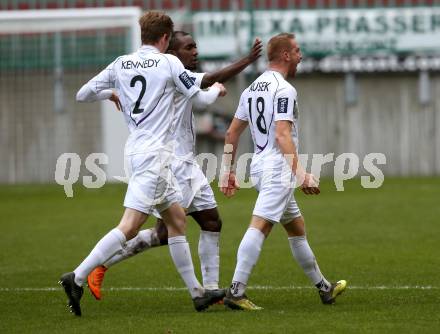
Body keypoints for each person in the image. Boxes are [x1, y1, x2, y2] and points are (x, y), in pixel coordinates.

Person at [59, 12, 228, 316]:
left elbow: (82, 93)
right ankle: (78, 276)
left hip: (136, 150)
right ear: (165, 39)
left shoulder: (121, 62)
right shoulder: (168, 63)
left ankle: (198, 294)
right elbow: (197, 92)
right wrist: (215, 88)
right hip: (156, 155)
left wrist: (110, 93)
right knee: (129, 226)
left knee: (177, 222)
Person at [86, 31, 263, 301]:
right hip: (172, 163)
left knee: (211, 220)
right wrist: (233, 73)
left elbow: (201, 95)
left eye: (196, 46)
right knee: (164, 232)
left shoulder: (177, 76)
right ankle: (99, 265)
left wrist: (212, 88)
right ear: (172, 52)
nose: (195, 51)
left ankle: (211, 288)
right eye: (188, 47)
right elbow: (203, 99)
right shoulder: (171, 75)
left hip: (187, 163)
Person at [220, 33, 347, 310]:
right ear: (286, 55)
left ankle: (324, 288)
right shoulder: (285, 90)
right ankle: (236, 291)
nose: (301, 56)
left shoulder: (251, 89)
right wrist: (302, 174)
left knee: (296, 227)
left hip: (259, 166)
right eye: (297, 50)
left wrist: (227, 170)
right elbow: (282, 135)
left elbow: (231, 133)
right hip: (278, 168)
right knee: (261, 225)